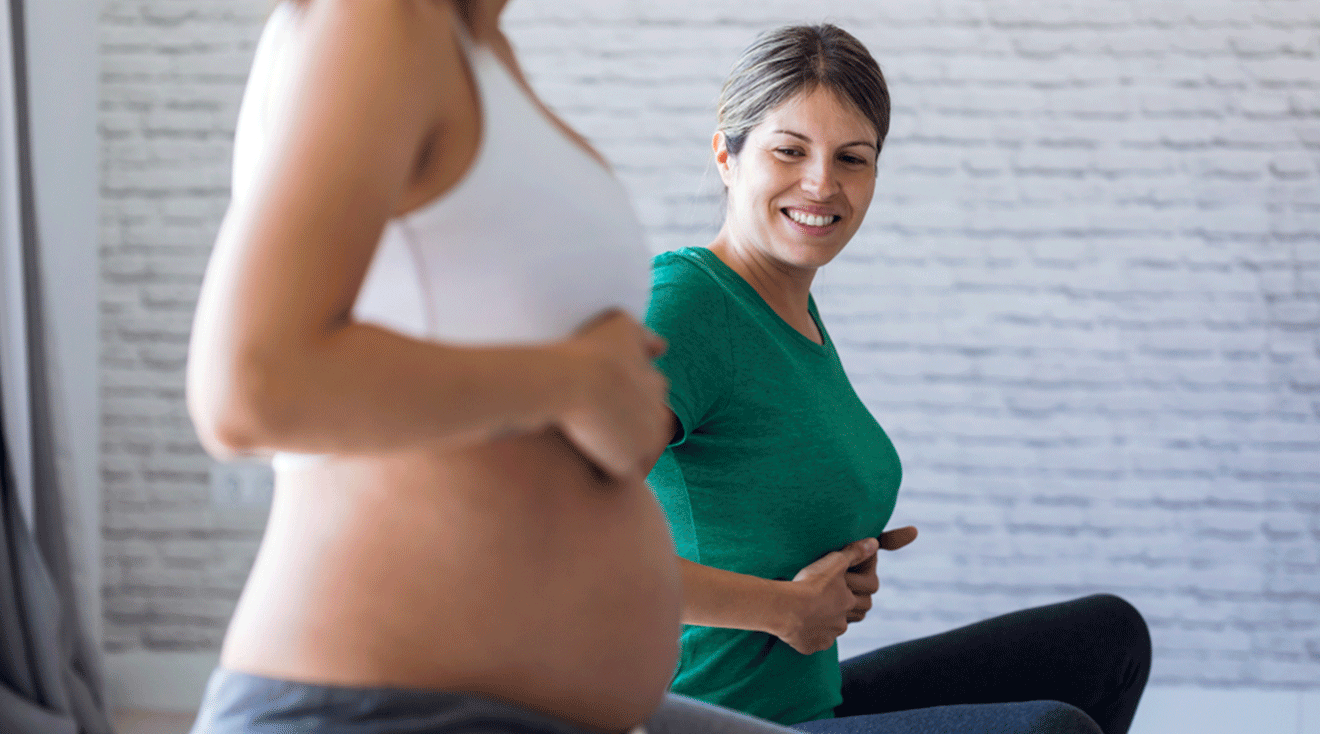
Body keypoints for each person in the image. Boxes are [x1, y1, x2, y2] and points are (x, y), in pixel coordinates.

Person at [182, 2, 817, 732]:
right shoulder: (381, 18)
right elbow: (254, 384)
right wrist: (573, 383)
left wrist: (606, 406)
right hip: (387, 706)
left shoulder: (485, 56)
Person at [644, 24, 1153, 734]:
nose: (821, 183)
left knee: (1105, 639)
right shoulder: (689, 307)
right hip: (706, 720)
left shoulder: (791, 313)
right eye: (789, 150)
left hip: (799, 702)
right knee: (1049, 730)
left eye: (851, 158)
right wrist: (785, 610)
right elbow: (558, 542)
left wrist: (841, 557)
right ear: (727, 157)